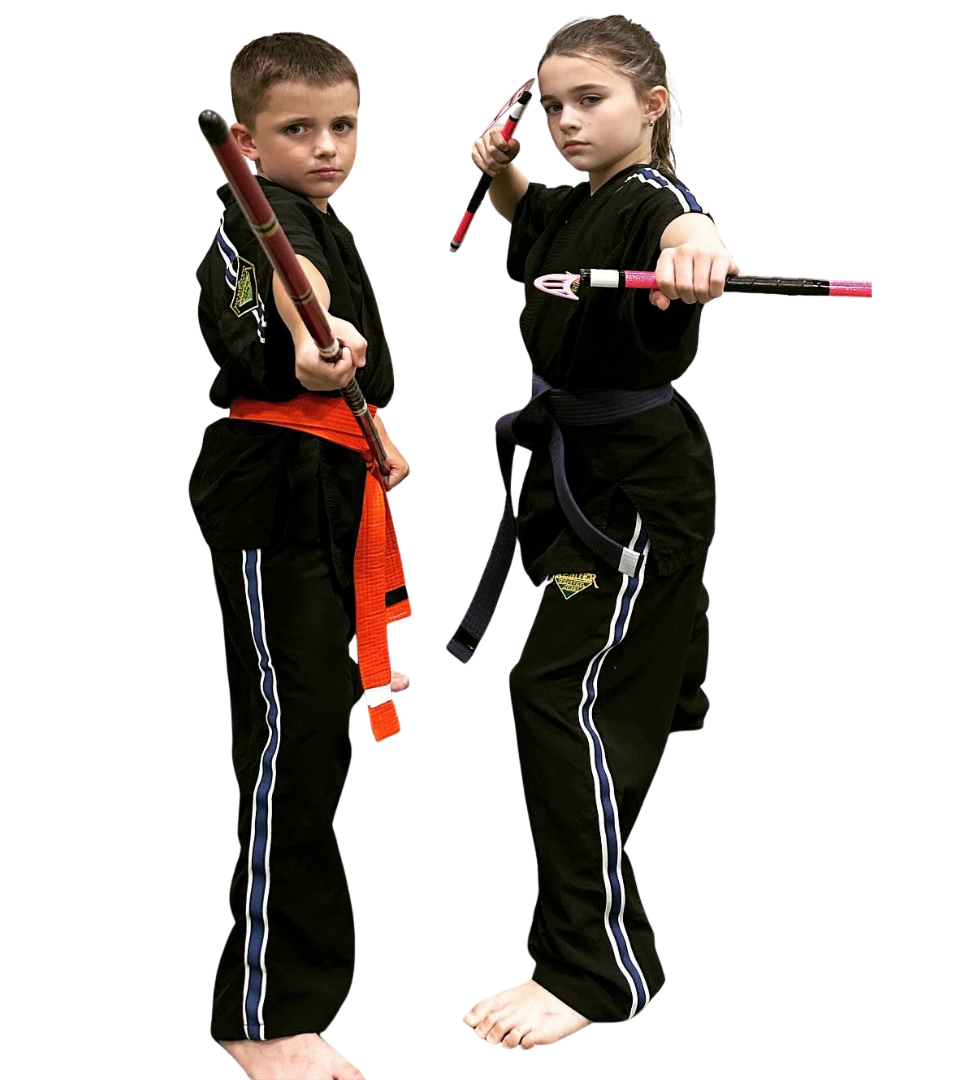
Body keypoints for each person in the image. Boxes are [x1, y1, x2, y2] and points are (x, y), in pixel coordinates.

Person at [452, 15, 739, 1051]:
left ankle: (598, 969)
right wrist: (499, 176)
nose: (567, 122)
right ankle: (669, 699)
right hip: (576, 491)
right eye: (553, 104)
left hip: (630, 501)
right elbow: (540, 229)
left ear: (654, 105)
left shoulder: (656, 203)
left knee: (556, 695)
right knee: (603, 636)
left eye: (593, 102)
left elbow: (684, 227)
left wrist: (699, 251)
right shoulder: (584, 201)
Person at [190, 32, 411, 1080]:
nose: (326, 148)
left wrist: (371, 423)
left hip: (332, 493)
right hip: (268, 511)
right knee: (288, 749)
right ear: (244, 140)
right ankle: (260, 1013)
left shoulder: (329, 225)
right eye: (297, 130)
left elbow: (346, 354)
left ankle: (288, 992)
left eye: (343, 127)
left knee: (319, 732)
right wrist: (318, 350)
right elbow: (288, 304)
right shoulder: (251, 232)